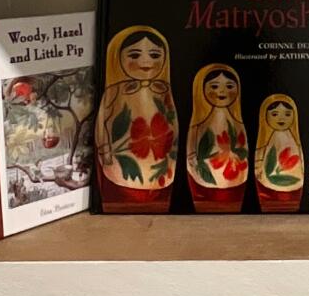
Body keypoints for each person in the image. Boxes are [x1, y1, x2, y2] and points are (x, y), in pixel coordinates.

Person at [94, 25, 177, 213]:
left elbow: (172, 121)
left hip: (159, 163)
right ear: (117, 57)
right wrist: (105, 150)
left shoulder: (163, 90)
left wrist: (171, 150)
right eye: (134, 55)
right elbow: (102, 121)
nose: (145, 61)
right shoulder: (114, 91)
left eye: (155, 55)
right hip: (118, 168)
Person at [186, 63, 249, 211]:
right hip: (202, 184)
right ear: (201, 90)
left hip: (236, 183)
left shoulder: (238, 123)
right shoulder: (197, 125)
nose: (222, 91)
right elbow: (191, 149)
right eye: (214, 86)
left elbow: (243, 152)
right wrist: (193, 160)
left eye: (230, 86)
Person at [254, 93, 304, 212]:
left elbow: (300, 161)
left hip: (294, 186)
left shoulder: (295, 141)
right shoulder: (265, 140)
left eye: (287, 114)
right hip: (267, 187)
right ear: (265, 117)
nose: (281, 119)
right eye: (275, 114)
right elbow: (260, 156)